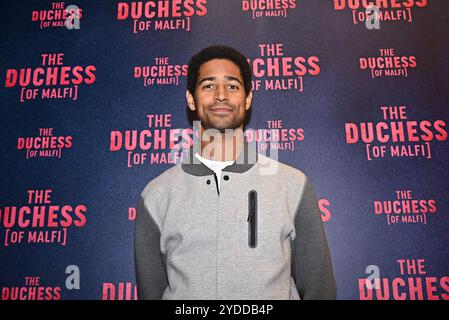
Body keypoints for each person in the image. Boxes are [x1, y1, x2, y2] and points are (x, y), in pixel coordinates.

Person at [134, 45, 337, 300]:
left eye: (232, 86)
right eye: (208, 85)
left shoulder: (292, 185)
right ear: (191, 98)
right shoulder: (157, 195)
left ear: (248, 98)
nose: (221, 95)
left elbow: (320, 289)